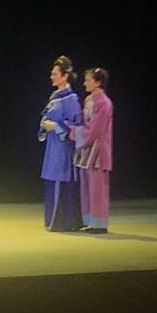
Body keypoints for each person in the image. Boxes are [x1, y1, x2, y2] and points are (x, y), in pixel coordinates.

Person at [39, 55, 84, 231]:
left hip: (63, 147)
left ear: (65, 76)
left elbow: (77, 124)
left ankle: (63, 221)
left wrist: (57, 126)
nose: (51, 76)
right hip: (53, 146)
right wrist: (44, 123)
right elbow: (47, 114)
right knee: (51, 180)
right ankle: (51, 220)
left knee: (61, 180)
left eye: (55, 74)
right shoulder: (55, 96)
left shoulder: (71, 99)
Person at [71, 67, 113, 234]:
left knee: (97, 188)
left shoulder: (104, 102)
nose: (85, 83)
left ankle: (99, 223)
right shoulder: (89, 100)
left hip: (98, 150)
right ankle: (90, 221)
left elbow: (96, 128)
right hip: (87, 150)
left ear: (98, 82)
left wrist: (75, 132)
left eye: (88, 80)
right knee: (87, 187)